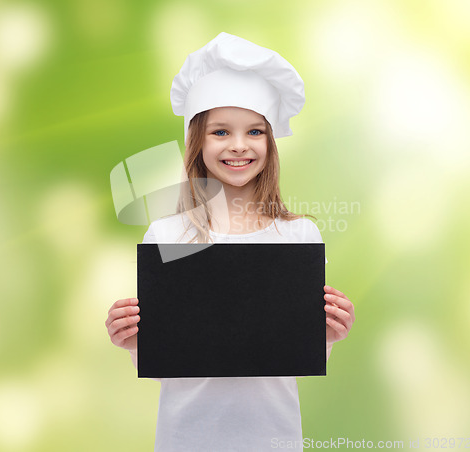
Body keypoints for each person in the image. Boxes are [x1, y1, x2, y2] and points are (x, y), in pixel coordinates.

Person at [105, 32, 355, 451]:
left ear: (270, 142)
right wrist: (134, 343)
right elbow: (170, 362)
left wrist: (329, 335)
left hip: (273, 437)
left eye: (254, 131)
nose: (239, 145)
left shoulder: (298, 236)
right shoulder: (167, 236)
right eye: (221, 132)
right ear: (197, 141)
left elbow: (293, 358)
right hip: (186, 438)